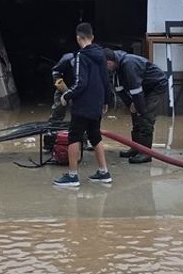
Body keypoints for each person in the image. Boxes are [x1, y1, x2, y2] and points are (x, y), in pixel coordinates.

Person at [53, 22, 112, 188]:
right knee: (95, 136)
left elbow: (81, 82)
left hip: (83, 104)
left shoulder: (81, 56)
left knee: (74, 137)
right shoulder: (101, 55)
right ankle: (104, 172)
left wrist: (66, 95)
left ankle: (72, 176)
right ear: (92, 37)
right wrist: (106, 101)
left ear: (78, 38)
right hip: (97, 103)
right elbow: (106, 80)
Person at [104, 49, 169, 164]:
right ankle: (136, 147)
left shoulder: (129, 64)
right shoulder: (116, 69)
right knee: (135, 115)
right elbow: (120, 90)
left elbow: (136, 89)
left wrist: (140, 109)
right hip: (142, 88)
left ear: (109, 62)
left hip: (155, 86)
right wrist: (130, 104)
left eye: (105, 65)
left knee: (145, 117)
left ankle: (146, 153)